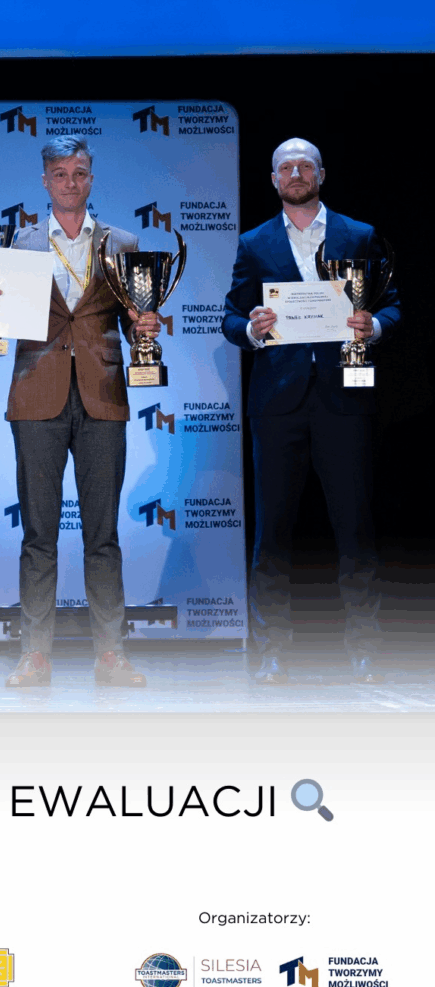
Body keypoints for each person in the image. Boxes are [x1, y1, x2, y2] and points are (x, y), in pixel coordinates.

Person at [0, 135, 160, 687]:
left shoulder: (122, 242)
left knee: (103, 536)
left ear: (91, 178)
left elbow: (132, 318)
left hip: (103, 393)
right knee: (39, 535)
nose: (70, 183)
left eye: (79, 173)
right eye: (59, 174)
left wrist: (145, 327)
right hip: (37, 395)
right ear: (45, 181)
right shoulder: (19, 243)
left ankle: (111, 655)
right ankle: (35, 654)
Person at [222, 138, 400, 683]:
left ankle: (366, 649)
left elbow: (392, 304)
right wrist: (252, 329)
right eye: (286, 167)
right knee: (272, 533)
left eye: (305, 166)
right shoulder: (254, 243)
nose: (296, 173)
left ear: (321, 174)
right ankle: (271, 649)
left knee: (355, 529)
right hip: (277, 403)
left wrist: (375, 325)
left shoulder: (360, 235)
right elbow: (231, 317)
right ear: (274, 180)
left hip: (345, 398)